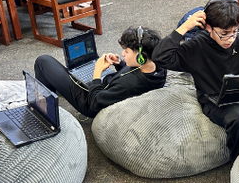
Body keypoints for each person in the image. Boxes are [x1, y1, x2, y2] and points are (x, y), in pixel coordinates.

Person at [152, 0, 239, 162]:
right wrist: (184, 28)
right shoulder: (196, 46)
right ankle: (238, 162)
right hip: (214, 99)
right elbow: (160, 57)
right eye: (224, 34)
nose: (230, 39)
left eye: (235, 31)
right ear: (208, 27)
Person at [33, 26, 167, 118]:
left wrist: (96, 73)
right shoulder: (157, 67)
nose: (122, 53)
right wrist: (119, 64)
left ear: (140, 56)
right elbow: (132, 74)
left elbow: (94, 103)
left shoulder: (128, 83)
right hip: (109, 87)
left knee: (43, 61)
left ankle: (45, 108)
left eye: (126, 51)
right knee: (64, 72)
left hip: (90, 100)